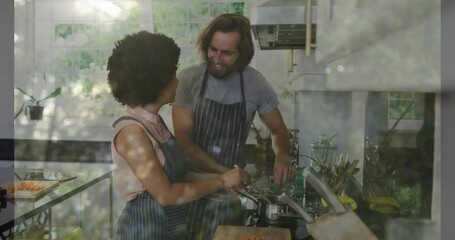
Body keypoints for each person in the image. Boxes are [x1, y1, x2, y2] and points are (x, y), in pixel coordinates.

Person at [107, 31, 245, 240]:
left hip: (171, 231)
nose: (177, 80)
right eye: (173, 74)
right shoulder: (132, 133)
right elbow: (167, 194)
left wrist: (224, 178)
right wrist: (222, 182)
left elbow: (179, 175)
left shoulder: (154, 123)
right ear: (156, 81)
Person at [172, 13, 295, 239]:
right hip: (190, 189)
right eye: (213, 49)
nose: (217, 58)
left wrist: (283, 155)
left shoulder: (255, 84)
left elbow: (278, 130)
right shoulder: (189, 80)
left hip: (230, 196)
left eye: (227, 53)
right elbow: (184, 144)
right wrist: (226, 173)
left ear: (242, 54)